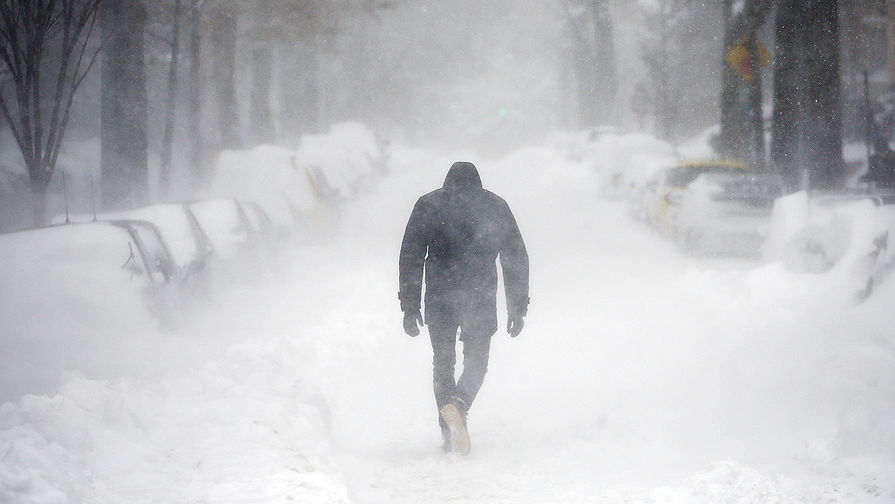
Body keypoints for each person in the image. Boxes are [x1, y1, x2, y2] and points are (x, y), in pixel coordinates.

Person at [398, 161, 529, 455]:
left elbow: (411, 256)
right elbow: (514, 257)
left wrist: (410, 306)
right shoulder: (495, 206)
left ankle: (448, 431)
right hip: (479, 294)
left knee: (443, 363)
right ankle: (459, 404)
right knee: (477, 363)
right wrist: (517, 307)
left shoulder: (428, 205)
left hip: (440, 295)